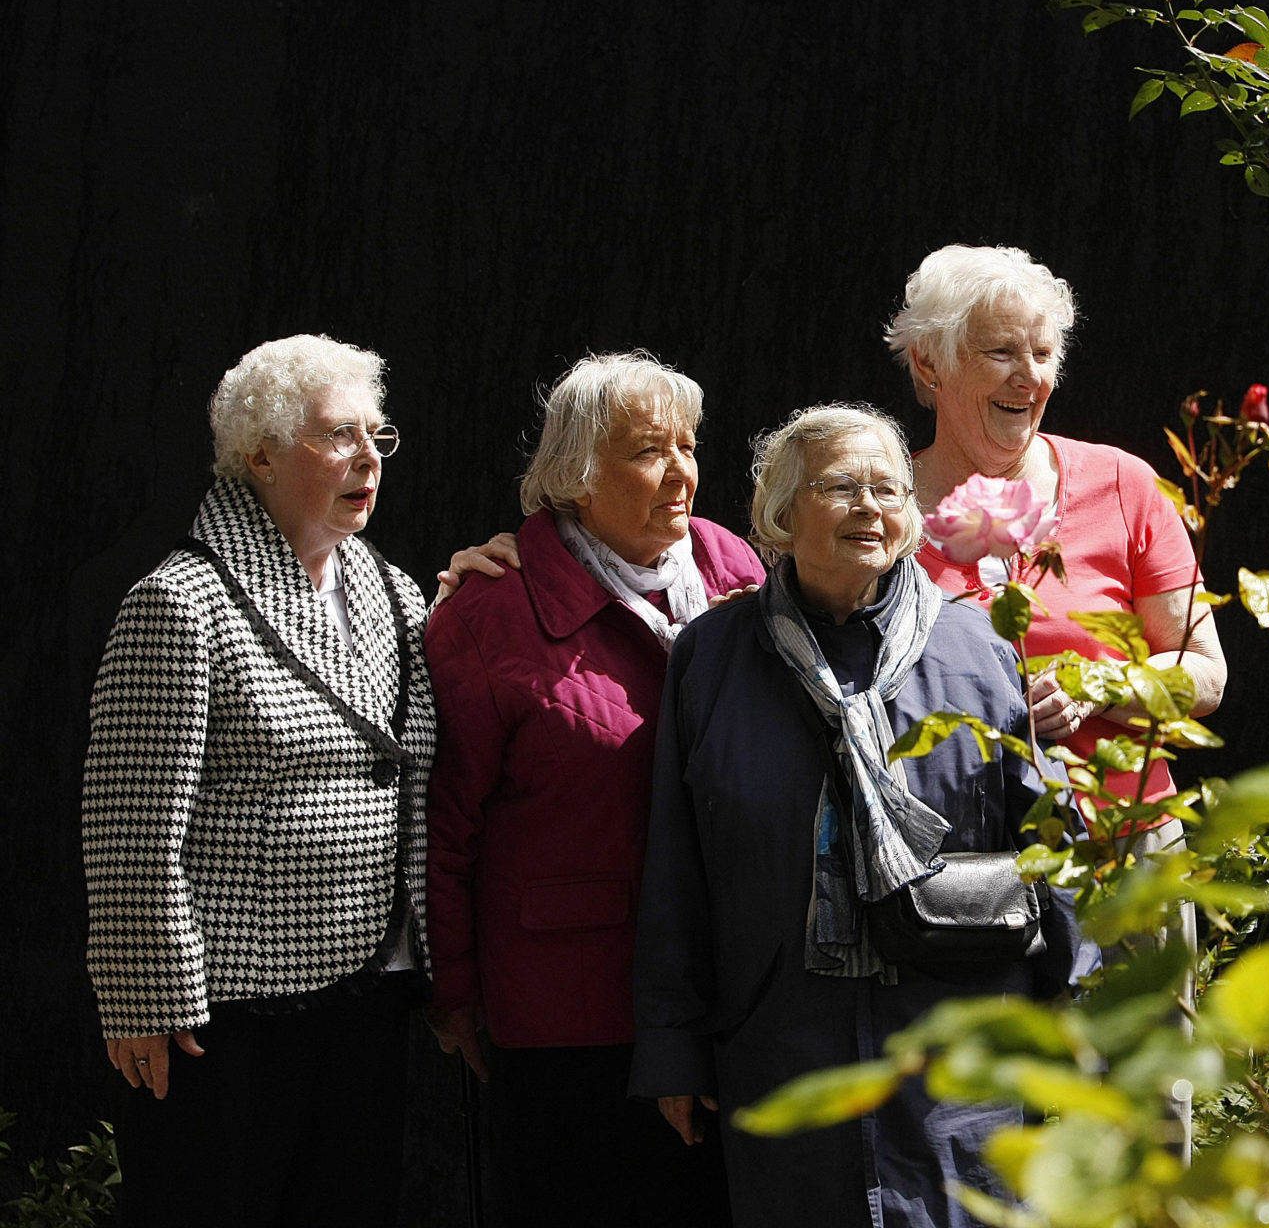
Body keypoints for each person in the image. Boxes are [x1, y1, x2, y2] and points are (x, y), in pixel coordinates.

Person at [630, 404, 1057, 1227]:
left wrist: (1072, 1015)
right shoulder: (713, 656)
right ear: (780, 515)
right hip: (783, 1041)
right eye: (842, 487)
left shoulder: (976, 649)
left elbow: (1045, 839)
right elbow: (677, 865)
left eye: (889, 489)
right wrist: (673, 1044)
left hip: (956, 1051)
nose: (871, 507)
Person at [80, 334, 435, 1227]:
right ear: (261, 454)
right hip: (221, 1021)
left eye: (376, 436)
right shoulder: (179, 602)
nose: (367, 457)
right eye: (337, 436)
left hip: (367, 995)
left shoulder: (395, 593)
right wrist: (143, 1000)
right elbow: (130, 827)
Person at [424, 352, 760, 1225]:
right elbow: (445, 826)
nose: (681, 469)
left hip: (728, 990)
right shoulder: (488, 612)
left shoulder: (737, 572)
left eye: (688, 444)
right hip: (569, 1008)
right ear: (575, 474)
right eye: (650, 450)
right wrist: (453, 991)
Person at [884, 242, 1227, 822]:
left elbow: (1205, 673)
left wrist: (1097, 684)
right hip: (955, 863)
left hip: (1124, 850)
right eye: (1002, 352)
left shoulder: (1122, 483)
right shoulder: (882, 512)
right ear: (927, 363)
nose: (1032, 377)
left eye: (1044, 354)